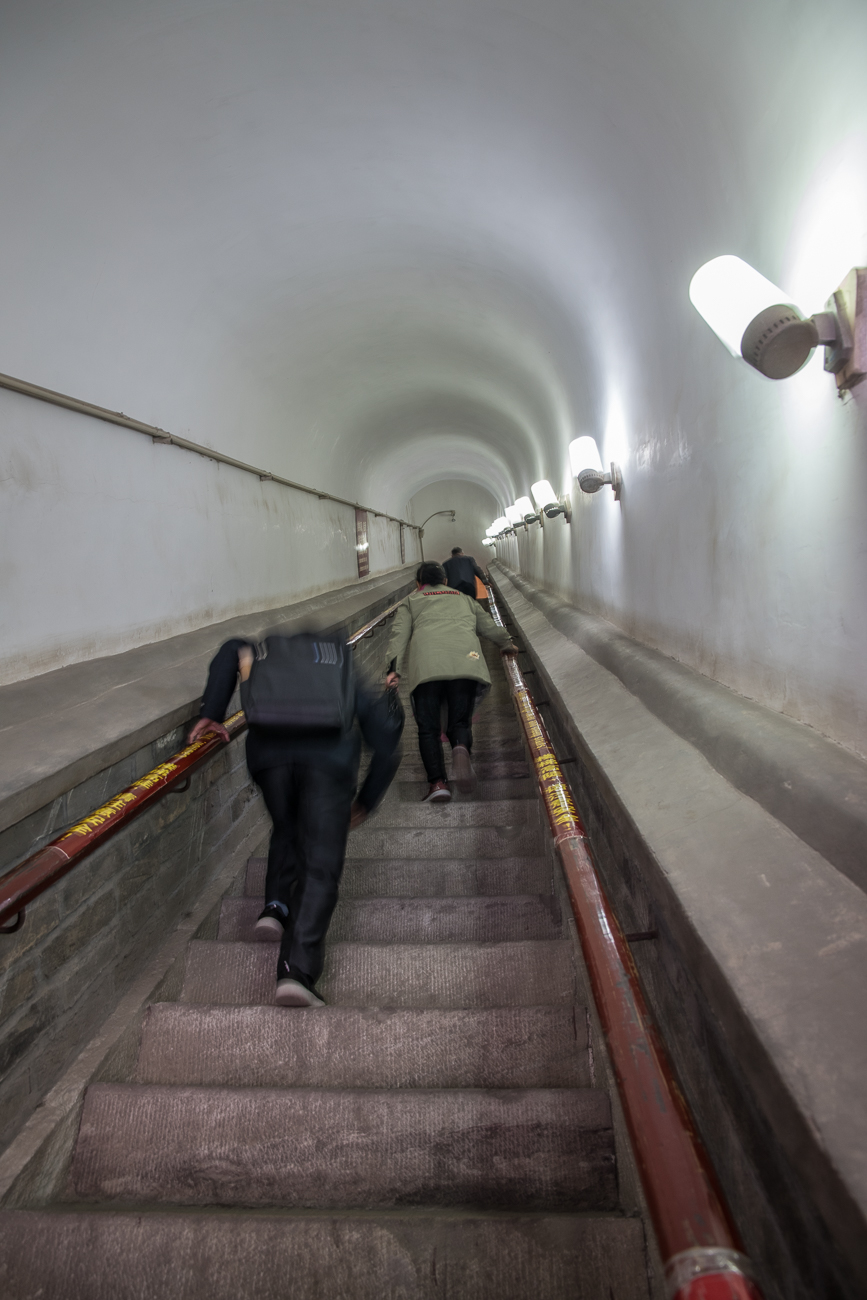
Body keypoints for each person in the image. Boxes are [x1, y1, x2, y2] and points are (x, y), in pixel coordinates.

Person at [190, 631, 400, 1008]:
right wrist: (366, 801)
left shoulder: (265, 655)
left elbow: (228, 649)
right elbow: (385, 741)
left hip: (269, 761)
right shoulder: (342, 667)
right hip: (328, 766)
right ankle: (295, 970)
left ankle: (274, 907)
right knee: (319, 864)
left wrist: (211, 712)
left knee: (287, 826)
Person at [385, 562, 517, 803]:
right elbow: (488, 626)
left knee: (428, 729)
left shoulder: (412, 601)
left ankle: (438, 784)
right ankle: (460, 747)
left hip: (427, 666)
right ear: (445, 581)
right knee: (459, 721)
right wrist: (506, 643)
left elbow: (399, 636)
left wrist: (393, 670)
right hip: (466, 662)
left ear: (418, 584)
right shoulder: (463, 598)